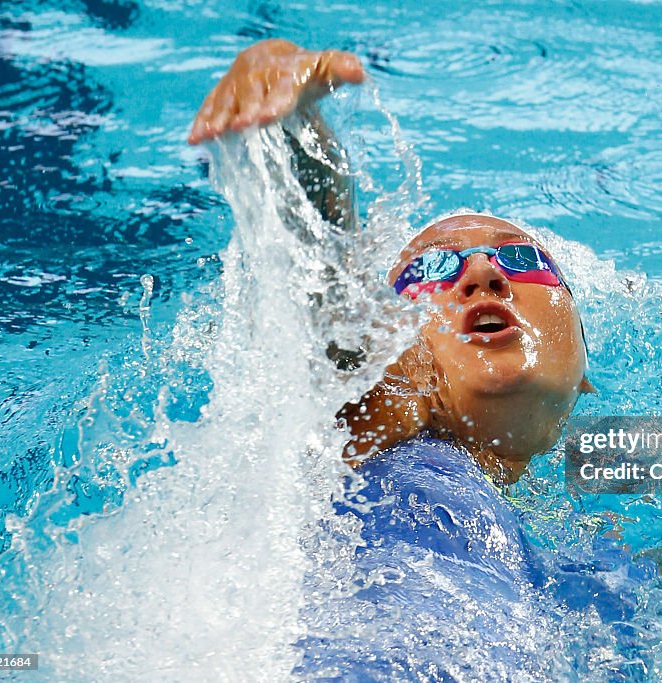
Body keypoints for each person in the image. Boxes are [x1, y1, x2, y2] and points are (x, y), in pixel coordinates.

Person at [189, 38, 593, 485]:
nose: (482, 274)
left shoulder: (622, 504)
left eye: (521, 258)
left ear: (584, 363)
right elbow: (326, 296)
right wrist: (289, 122)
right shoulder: (357, 448)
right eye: (433, 269)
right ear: (391, 353)